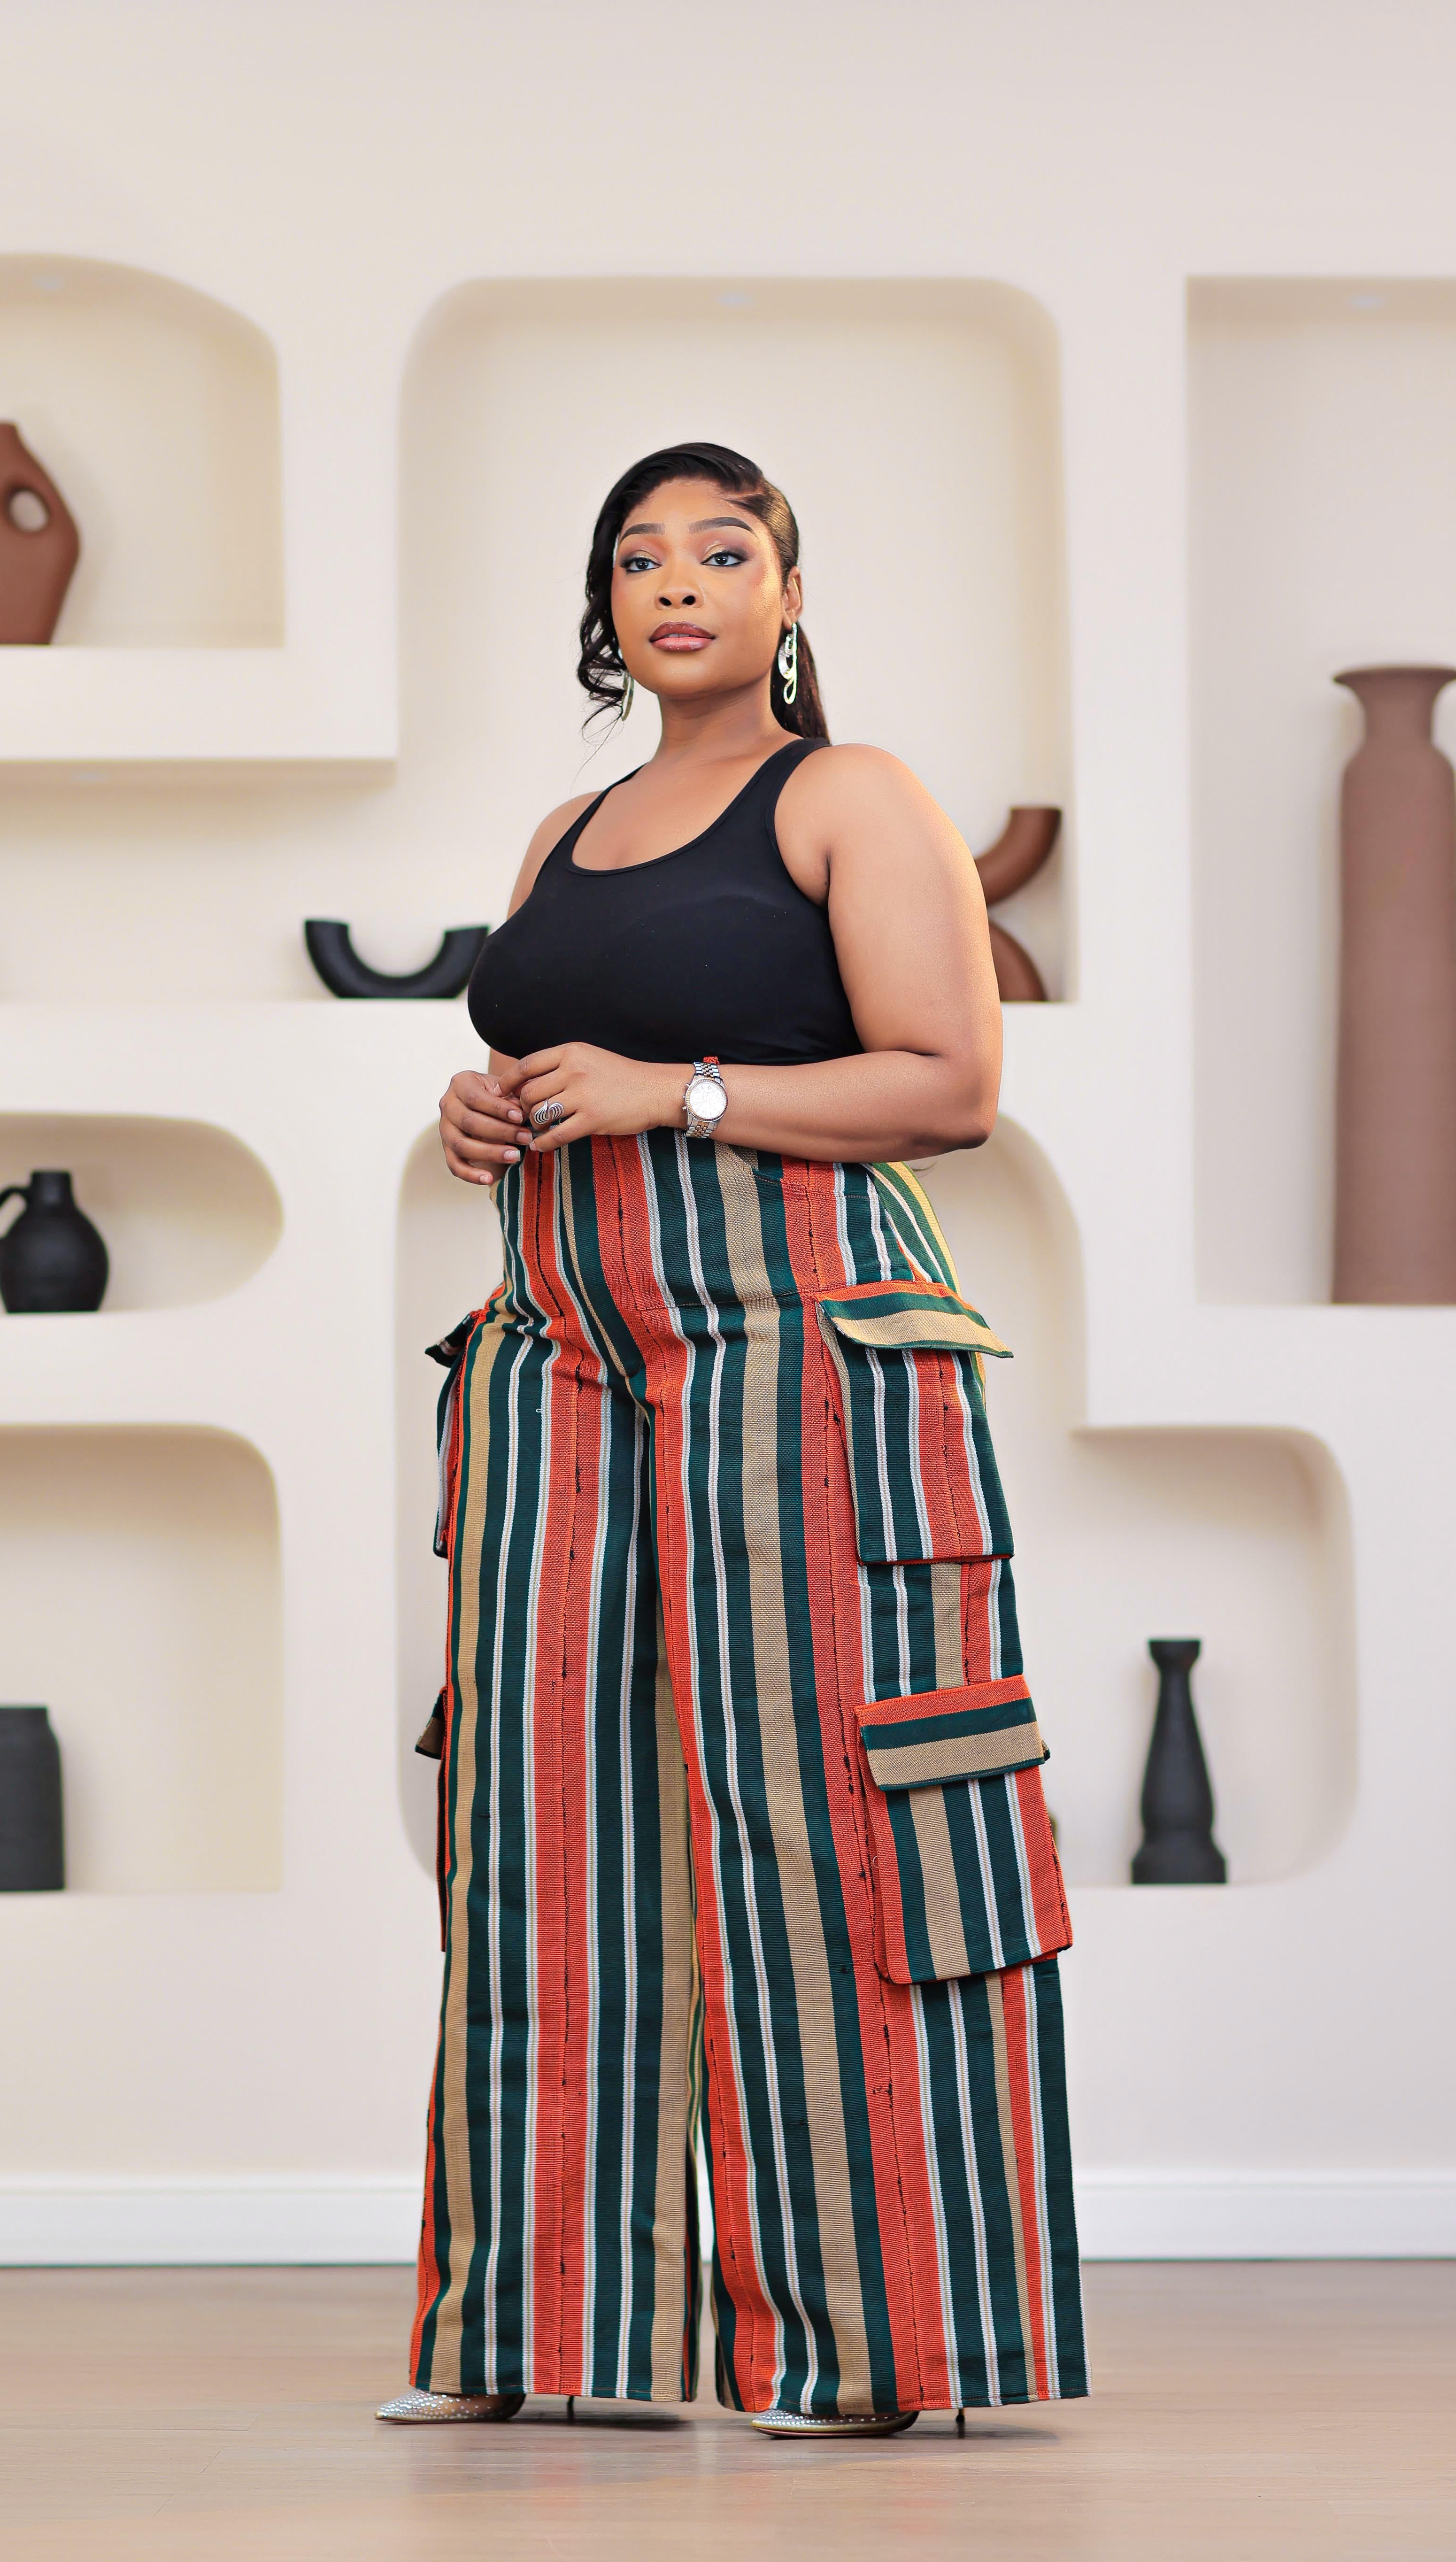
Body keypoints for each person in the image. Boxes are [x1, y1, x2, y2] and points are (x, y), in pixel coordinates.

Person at [379, 444, 1085, 2439]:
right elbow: (545, 1056)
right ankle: (541, 2343)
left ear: (787, 591)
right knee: (532, 1831)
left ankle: (871, 2354)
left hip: (793, 1343)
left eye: (720, 549)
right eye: (634, 557)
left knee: (815, 1820)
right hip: (551, 1351)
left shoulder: (849, 796)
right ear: (598, 609)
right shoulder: (562, 827)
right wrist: (484, 1112)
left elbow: (951, 1082)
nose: (673, 582)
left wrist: (676, 1093)